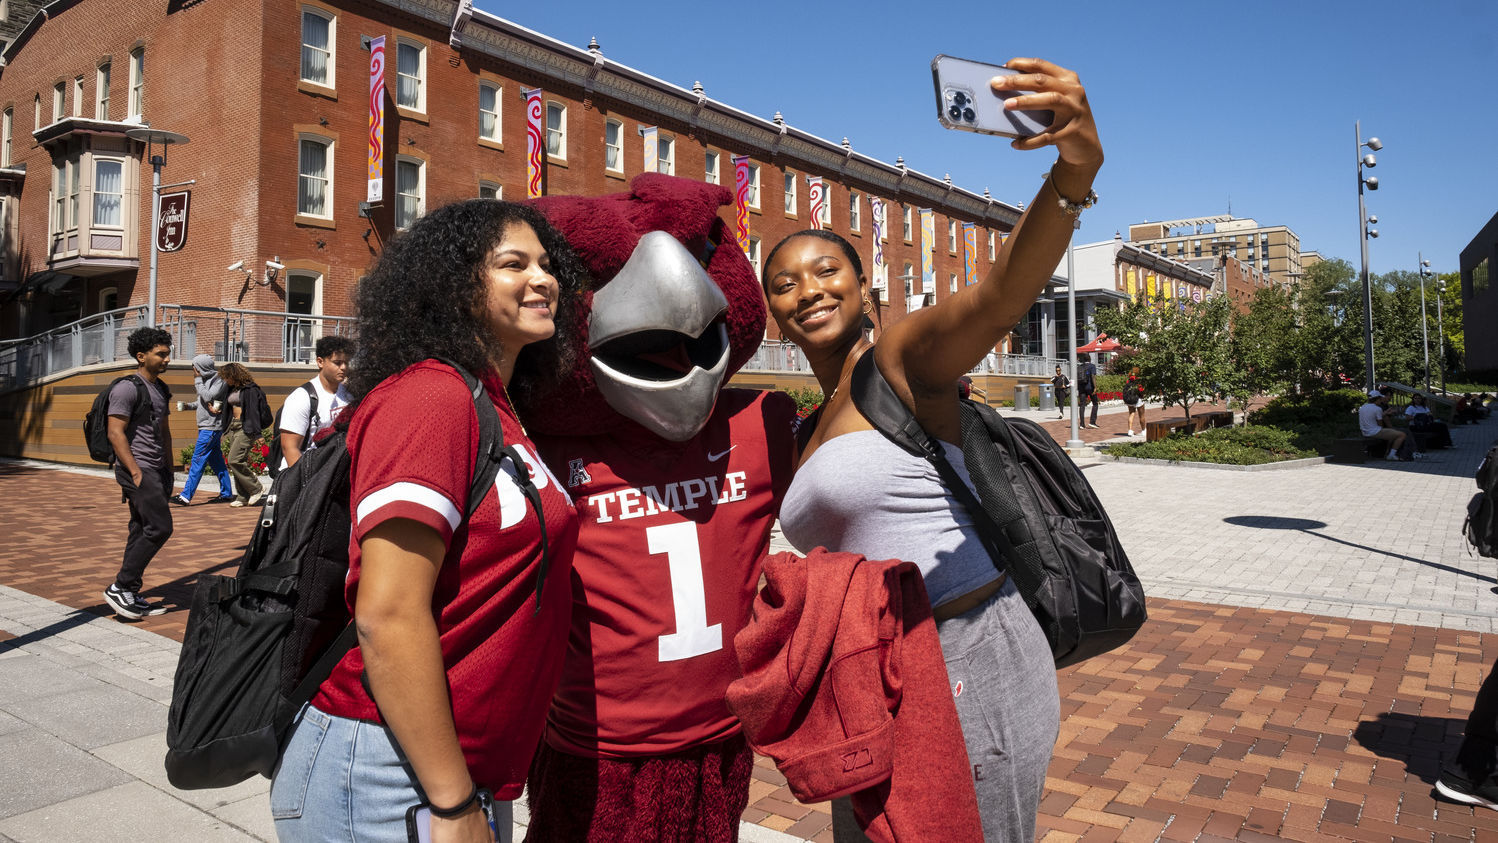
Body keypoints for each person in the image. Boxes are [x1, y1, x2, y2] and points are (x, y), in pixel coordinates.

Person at [762, 56, 1099, 842]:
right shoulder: (801, 425)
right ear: (774, 312)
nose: (807, 287)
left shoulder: (901, 363)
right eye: (785, 281)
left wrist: (1073, 172)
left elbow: (999, 295)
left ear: (867, 294)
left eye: (825, 270)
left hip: (967, 654)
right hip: (872, 677)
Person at [270, 200, 583, 843]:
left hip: (455, 769)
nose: (543, 279)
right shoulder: (432, 397)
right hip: (391, 774)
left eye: (548, 266)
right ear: (453, 283)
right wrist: (451, 802)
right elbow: (387, 613)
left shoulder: (495, 403)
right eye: (513, 264)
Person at [102, 327, 175, 620]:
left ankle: (129, 590)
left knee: (140, 527)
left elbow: (164, 432)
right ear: (141, 356)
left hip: (156, 469)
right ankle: (119, 586)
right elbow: (115, 432)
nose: (167, 359)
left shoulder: (160, 387)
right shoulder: (126, 388)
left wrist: (169, 469)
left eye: (168, 353)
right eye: (161, 354)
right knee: (160, 528)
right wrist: (134, 472)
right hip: (138, 468)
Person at [277, 335, 354, 471]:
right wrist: (307, 484)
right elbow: (289, 448)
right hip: (304, 474)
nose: (343, 367)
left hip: (335, 474)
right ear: (320, 362)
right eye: (337, 363)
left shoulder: (349, 395)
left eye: (346, 362)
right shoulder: (301, 398)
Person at [171, 354, 234, 506]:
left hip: (211, 428)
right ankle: (226, 494)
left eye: (195, 367)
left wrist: (198, 379)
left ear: (201, 368)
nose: (193, 370)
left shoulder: (219, 380)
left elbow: (208, 396)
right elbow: (202, 402)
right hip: (207, 426)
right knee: (217, 462)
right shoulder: (206, 381)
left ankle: (185, 496)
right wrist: (188, 406)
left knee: (197, 460)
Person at [216, 363, 272, 507]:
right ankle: (242, 496)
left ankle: (257, 488)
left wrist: (258, 434)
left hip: (246, 427)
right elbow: (222, 401)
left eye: (227, 377)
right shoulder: (230, 388)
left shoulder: (250, 390)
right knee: (237, 462)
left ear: (234, 375)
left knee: (235, 459)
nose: (225, 380)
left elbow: (253, 412)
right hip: (233, 426)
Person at [1359, 389, 1417, 461]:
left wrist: (1385, 413)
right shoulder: (1377, 409)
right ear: (1377, 399)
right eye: (1380, 398)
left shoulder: (1363, 407)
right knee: (1402, 435)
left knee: (1393, 434)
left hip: (1365, 431)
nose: (1381, 400)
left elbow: (1371, 417)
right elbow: (1380, 425)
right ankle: (1391, 455)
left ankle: (1388, 453)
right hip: (1374, 432)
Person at [1077, 353, 1100, 429]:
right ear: (1090, 359)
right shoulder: (1092, 366)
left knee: (1082, 405)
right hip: (1090, 387)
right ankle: (1092, 422)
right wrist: (1095, 387)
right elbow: (1093, 376)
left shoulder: (1080, 366)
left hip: (1081, 388)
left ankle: (1082, 424)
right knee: (1095, 403)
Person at [1124, 367, 1144, 436]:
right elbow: (1141, 390)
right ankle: (1143, 430)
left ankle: (1130, 430)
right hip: (1138, 399)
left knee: (1131, 413)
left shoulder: (1128, 380)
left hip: (1130, 399)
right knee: (1141, 415)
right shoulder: (1139, 380)